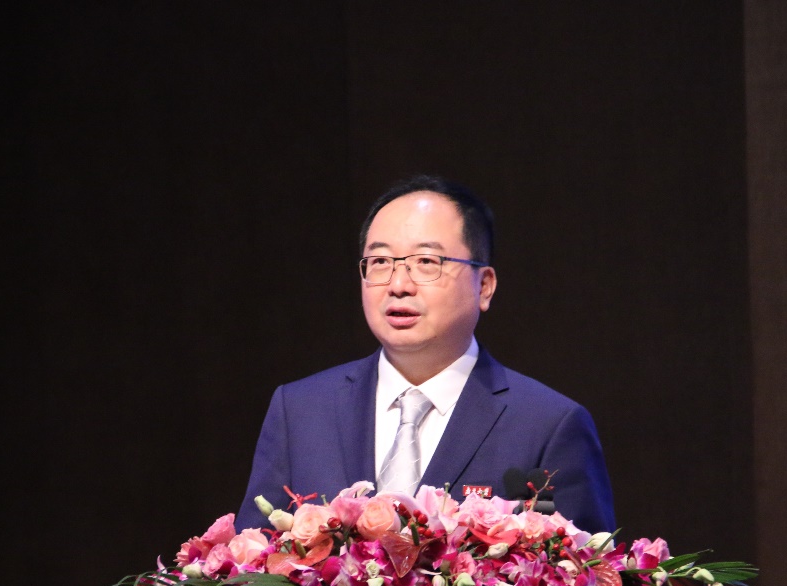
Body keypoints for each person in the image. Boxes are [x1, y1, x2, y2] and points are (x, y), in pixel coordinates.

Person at [235, 175, 615, 535]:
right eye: (380, 262)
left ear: (484, 286)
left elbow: (578, 573)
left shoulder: (547, 425)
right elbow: (252, 565)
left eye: (426, 262)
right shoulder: (300, 411)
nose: (398, 285)